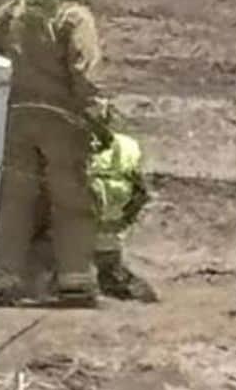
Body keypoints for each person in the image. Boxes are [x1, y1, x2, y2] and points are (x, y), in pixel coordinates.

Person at [0, 0, 107, 308]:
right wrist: (100, 117)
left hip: (15, 119)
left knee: (15, 200)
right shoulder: (75, 18)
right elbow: (86, 75)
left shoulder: (11, 12)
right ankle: (75, 281)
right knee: (71, 199)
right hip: (64, 124)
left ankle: (4, 277)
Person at [30, 129, 158, 302]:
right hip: (108, 236)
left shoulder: (59, 143)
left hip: (68, 239)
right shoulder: (124, 146)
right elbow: (141, 193)